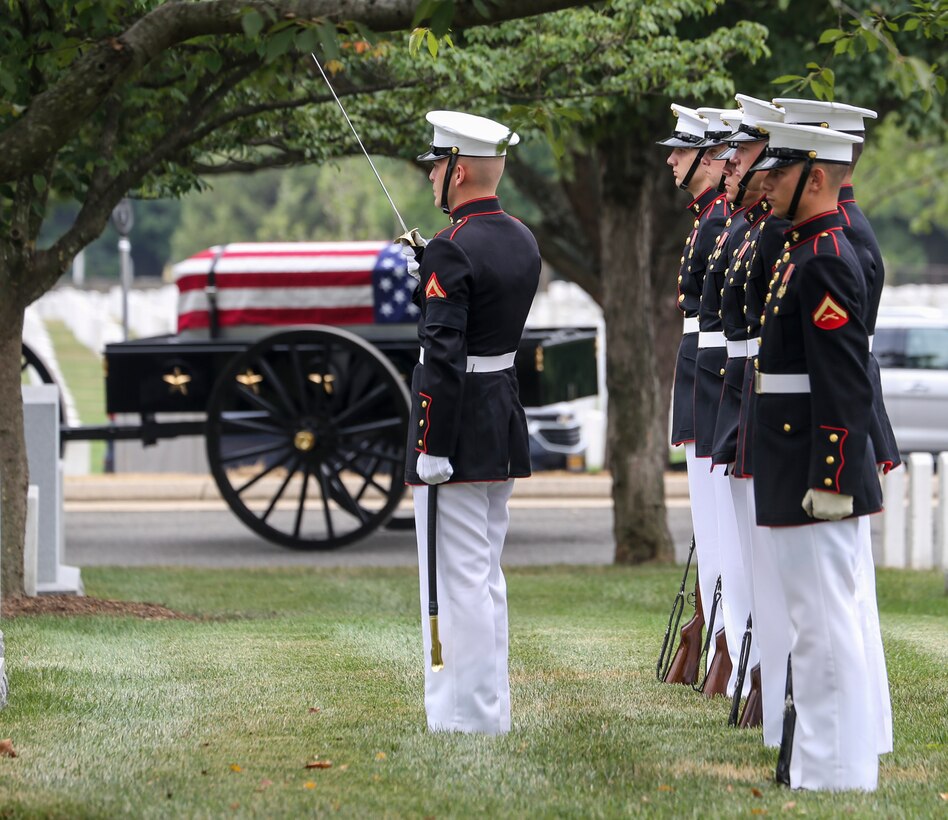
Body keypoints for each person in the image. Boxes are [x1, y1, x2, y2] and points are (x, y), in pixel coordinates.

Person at [750, 120, 883, 791]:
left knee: (824, 623)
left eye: (781, 168)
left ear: (818, 176)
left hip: (812, 463)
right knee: (814, 620)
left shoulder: (826, 256)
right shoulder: (803, 249)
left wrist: (830, 476)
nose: (764, 180)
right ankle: (823, 763)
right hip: (791, 454)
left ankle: (835, 769)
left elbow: (843, 380)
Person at [404, 110, 541, 734]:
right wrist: (432, 273)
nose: (432, 176)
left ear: (457, 171)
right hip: (500, 417)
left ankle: (465, 717)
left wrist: (430, 444)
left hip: (455, 430)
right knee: (485, 574)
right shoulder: (520, 237)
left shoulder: (451, 248)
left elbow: (442, 353)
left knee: (456, 580)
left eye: (437, 165)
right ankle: (489, 708)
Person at [711, 95, 793, 745]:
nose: (729, 166)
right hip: (744, 388)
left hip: (768, 394)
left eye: (741, 156)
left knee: (766, 553)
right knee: (742, 543)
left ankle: (768, 672)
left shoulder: (772, 233)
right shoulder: (752, 229)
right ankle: (751, 663)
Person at [657, 103, 730, 680]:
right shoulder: (706, 217)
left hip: (711, 369)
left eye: (681, 151)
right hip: (699, 365)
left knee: (717, 521)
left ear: (708, 158)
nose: (672, 160)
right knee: (707, 520)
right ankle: (713, 637)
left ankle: (725, 645)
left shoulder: (717, 220)